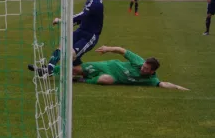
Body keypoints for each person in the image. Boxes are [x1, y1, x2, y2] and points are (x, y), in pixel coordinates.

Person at [28, 0, 103, 76]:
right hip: (80, 31)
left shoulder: (96, 4)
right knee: (62, 46)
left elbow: (81, 16)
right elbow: (82, 19)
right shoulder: (90, 0)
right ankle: (49, 69)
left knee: (70, 56)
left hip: (89, 36)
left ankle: (53, 71)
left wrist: (61, 20)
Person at [50, 45, 188, 90]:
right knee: (75, 69)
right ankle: (48, 70)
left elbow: (164, 84)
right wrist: (107, 48)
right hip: (110, 65)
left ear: (152, 72)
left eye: (146, 69)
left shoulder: (151, 80)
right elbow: (122, 51)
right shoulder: (138, 61)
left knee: (105, 80)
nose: (142, 69)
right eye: (143, 66)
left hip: (113, 76)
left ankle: (82, 80)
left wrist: (180, 88)